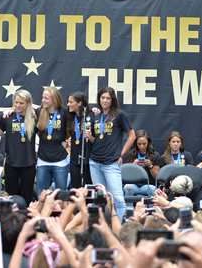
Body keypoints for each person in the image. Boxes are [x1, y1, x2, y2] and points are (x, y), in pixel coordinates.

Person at [84, 87, 136, 219]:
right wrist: (90, 137)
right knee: (101, 198)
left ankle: (121, 228)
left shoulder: (119, 115)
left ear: (112, 100)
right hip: (95, 161)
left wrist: (121, 154)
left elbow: (132, 136)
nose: (105, 100)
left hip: (111, 163)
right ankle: (105, 226)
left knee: (118, 198)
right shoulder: (96, 115)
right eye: (102, 98)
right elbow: (97, 140)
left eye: (108, 98)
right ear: (99, 99)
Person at [0, 90, 38, 202]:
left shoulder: (34, 116)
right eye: (16, 102)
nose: (18, 105)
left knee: (27, 197)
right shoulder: (7, 117)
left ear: (28, 103)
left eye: (21, 103)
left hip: (28, 163)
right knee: (11, 197)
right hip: (11, 163)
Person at [35, 86, 68, 192]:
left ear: (54, 99)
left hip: (60, 161)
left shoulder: (64, 112)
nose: (43, 100)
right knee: (41, 194)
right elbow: (22, 112)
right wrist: (11, 110)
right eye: (42, 97)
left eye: (46, 98)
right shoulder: (39, 112)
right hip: (42, 160)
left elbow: (75, 124)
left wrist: (67, 143)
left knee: (61, 195)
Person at [121, 129, 161, 197]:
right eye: (139, 144)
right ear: (135, 143)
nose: (142, 146)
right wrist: (133, 166)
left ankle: (151, 207)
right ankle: (129, 207)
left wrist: (150, 166)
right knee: (128, 187)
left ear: (148, 142)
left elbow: (157, 177)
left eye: (144, 144)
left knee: (153, 189)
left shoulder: (155, 155)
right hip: (133, 185)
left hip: (148, 185)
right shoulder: (130, 155)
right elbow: (124, 176)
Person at [66, 92, 91, 188]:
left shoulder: (90, 116)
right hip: (74, 158)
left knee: (88, 188)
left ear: (79, 103)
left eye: (71, 102)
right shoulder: (70, 116)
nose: (68, 104)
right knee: (75, 187)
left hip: (88, 157)